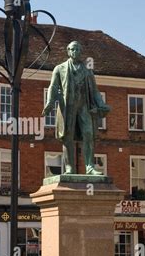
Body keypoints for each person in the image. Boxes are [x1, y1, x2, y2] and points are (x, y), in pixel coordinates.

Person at [42, 40, 110, 175]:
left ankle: (90, 166)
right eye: (72, 49)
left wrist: (101, 104)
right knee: (67, 136)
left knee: (89, 134)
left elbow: (95, 91)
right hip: (67, 107)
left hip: (84, 106)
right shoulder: (59, 69)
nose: (75, 52)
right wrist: (50, 101)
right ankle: (69, 168)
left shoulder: (88, 72)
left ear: (81, 52)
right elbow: (53, 86)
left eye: (78, 49)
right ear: (68, 51)